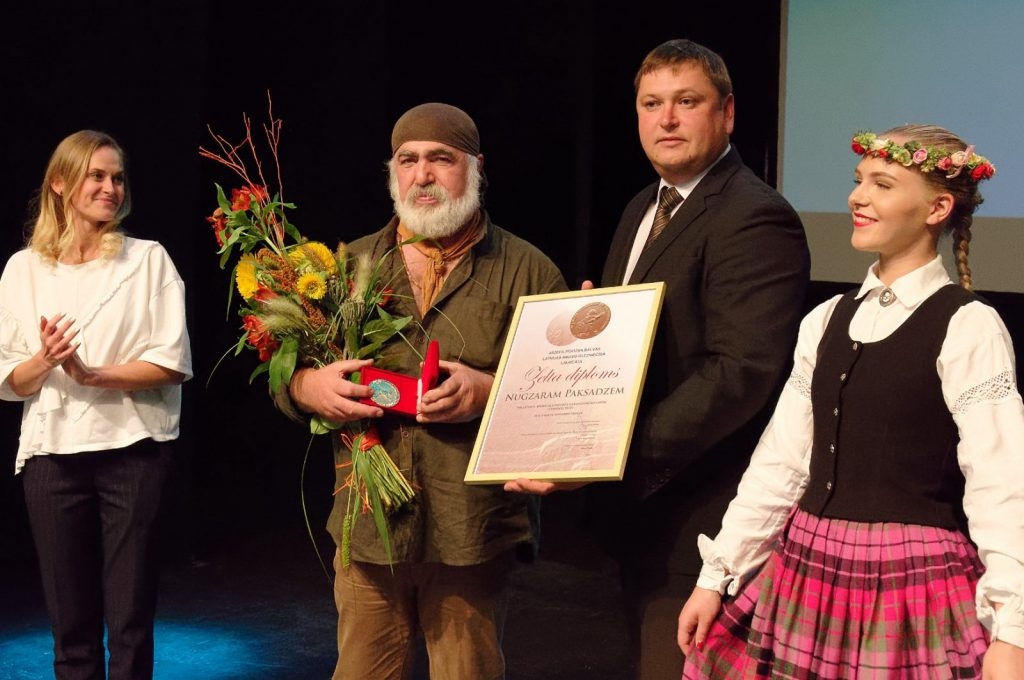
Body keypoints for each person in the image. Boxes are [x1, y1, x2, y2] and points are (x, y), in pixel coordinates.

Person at [504, 38, 810, 679]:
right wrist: (592, 335)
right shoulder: (643, 206)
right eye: (652, 104)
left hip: (705, 512)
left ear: (726, 113)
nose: (666, 119)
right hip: (645, 515)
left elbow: (740, 375)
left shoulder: (756, 218)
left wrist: (605, 454)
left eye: (686, 102)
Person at [677, 124, 1024, 678]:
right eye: (859, 181)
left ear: (937, 207)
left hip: (906, 584)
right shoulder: (827, 319)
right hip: (807, 569)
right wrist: (717, 575)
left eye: (883, 185)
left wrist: (1012, 629)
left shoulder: (967, 326)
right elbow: (782, 462)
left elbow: (1002, 481)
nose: (857, 197)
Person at [274, 102, 568, 679]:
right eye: (408, 160)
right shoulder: (345, 265)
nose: (423, 174)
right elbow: (286, 372)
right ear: (393, 171)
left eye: (441, 158)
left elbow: (562, 395)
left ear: (475, 169)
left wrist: (487, 391)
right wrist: (311, 387)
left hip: (470, 528)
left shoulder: (529, 271)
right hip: (368, 524)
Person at [0, 130, 193, 679]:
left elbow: (172, 361)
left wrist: (89, 373)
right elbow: (9, 376)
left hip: (132, 456)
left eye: (117, 178)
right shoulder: (23, 270)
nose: (111, 188)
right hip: (51, 459)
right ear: (60, 183)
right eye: (97, 176)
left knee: (130, 623)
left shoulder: (146, 260)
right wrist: (45, 360)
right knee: (70, 625)